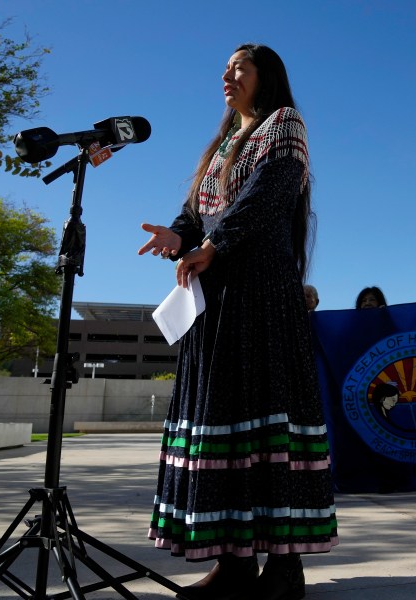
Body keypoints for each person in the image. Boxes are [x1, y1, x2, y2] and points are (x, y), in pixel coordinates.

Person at [138, 44, 337, 600]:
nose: (228, 75)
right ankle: (232, 564)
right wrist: (178, 236)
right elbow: (196, 210)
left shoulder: (283, 124)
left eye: (239, 66)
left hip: (261, 294)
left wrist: (213, 243)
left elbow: (268, 195)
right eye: (224, 68)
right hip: (216, 296)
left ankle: (284, 568)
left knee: (266, 418)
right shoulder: (222, 143)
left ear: (265, 76)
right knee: (224, 421)